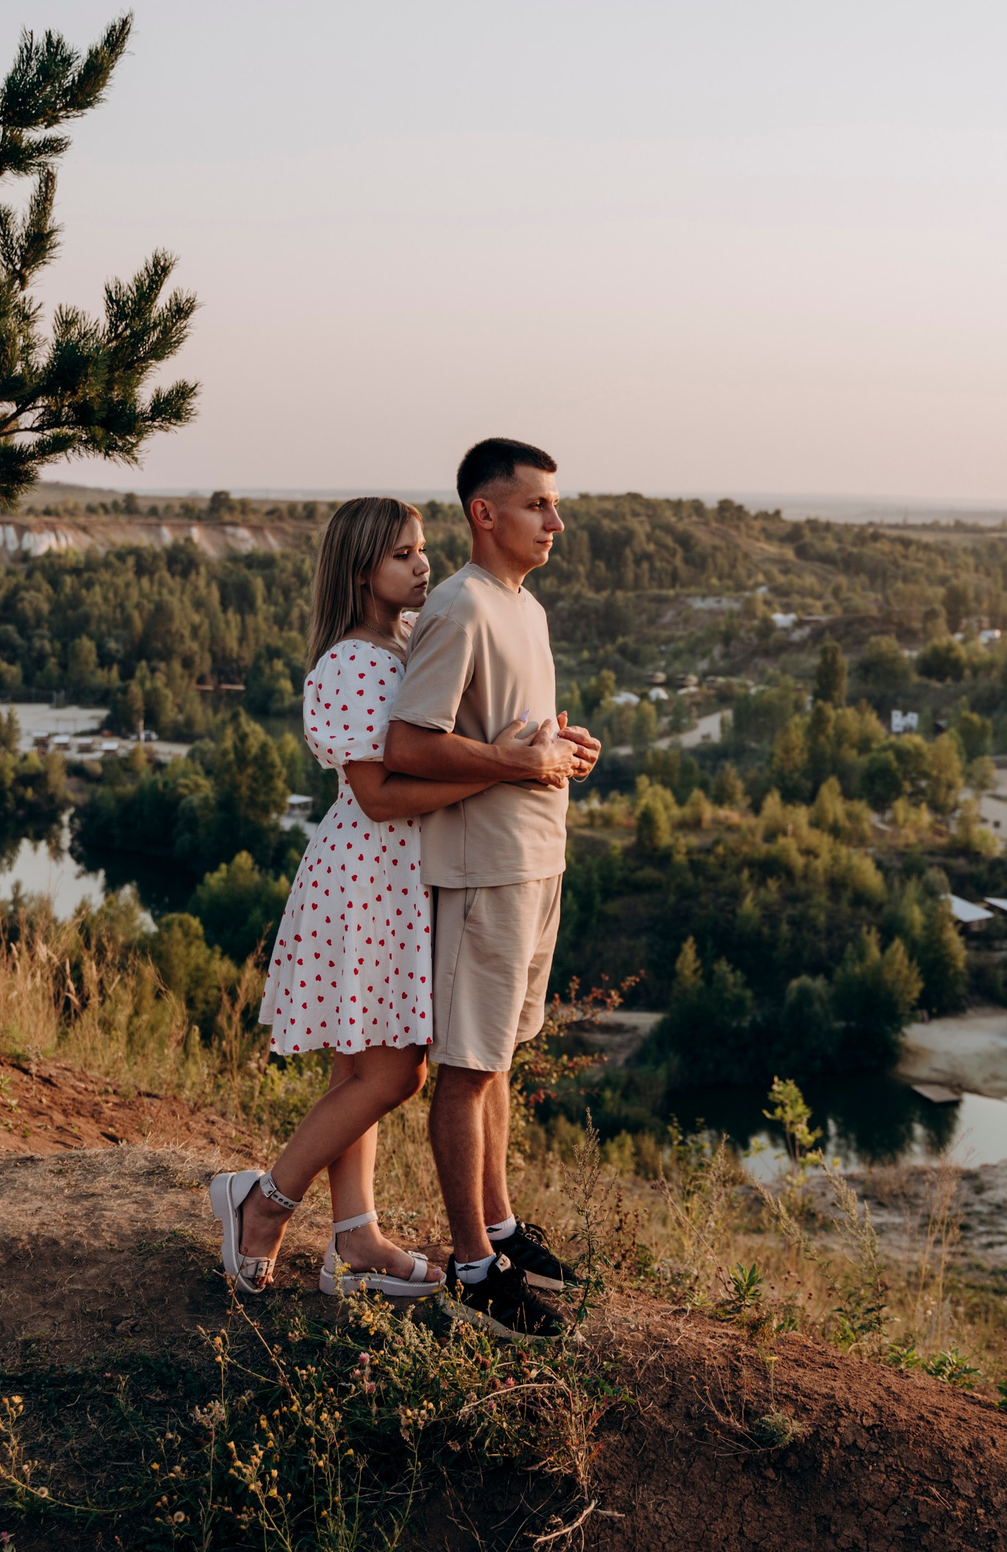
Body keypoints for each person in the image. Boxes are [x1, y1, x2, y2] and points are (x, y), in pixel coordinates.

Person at [210, 497, 568, 1298]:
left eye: (422, 550)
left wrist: (515, 751)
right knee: (395, 1075)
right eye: (402, 554)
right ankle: (262, 1202)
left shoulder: (401, 643)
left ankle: (356, 1238)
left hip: (397, 875)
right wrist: (508, 766)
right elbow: (376, 794)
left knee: (356, 1069)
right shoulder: (351, 660)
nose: (422, 564)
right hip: (369, 876)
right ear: (360, 569)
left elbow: (438, 754)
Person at [386, 438, 599, 1339]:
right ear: (485, 513)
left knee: (499, 1058)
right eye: (537, 505)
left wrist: (559, 748)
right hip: (480, 869)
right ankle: (472, 1267)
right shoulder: (460, 607)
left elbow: (514, 743)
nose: (556, 520)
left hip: (534, 860)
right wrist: (517, 760)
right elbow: (408, 744)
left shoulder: (526, 609)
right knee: (467, 1069)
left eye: (553, 505)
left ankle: (502, 1229)